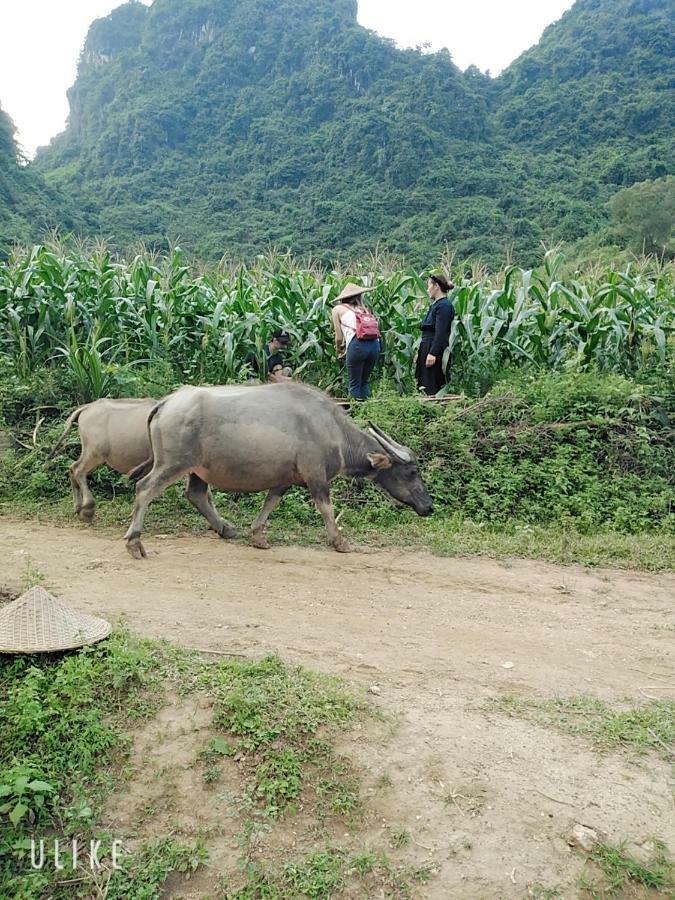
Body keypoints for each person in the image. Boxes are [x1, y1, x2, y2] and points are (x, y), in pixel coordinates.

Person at [331, 282, 381, 401]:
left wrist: (339, 350)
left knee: (354, 383)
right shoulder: (364, 309)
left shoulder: (337, 309)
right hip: (374, 345)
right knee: (364, 382)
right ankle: (368, 412)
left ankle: (356, 414)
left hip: (357, 345)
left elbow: (339, 337)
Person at [416, 273, 455, 396]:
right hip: (427, 345)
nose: (428, 289)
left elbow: (441, 332)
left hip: (433, 346)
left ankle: (433, 409)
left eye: (429, 286)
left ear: (436, 286)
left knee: (431, 383)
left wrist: (433, 353)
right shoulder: (436, 305)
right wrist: (419, 351)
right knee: (423, 382)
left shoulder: (444, 306)